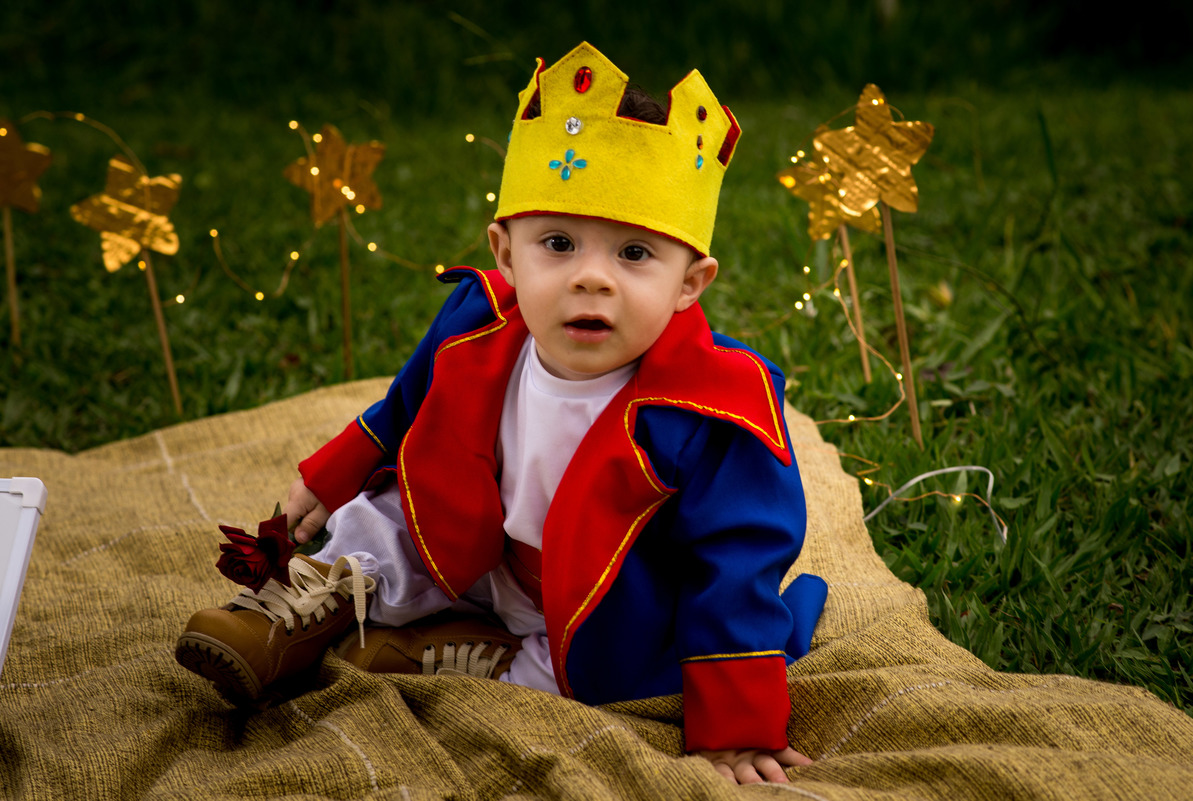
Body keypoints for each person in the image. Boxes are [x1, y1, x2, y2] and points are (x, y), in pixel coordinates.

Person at [176, 41, 827, 785]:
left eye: (636, 254)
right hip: (476, 541)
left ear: (692, 282)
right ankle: (301, 611)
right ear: (507, 253)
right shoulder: (476, 319)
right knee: (384, 514)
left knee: (571, 690)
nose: (591, 277)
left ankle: (458, 656)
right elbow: (402, 408)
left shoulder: (715, 406)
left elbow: (736, 562)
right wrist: (331, 479)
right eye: (558, 243)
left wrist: (736, 728)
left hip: (596, 609)